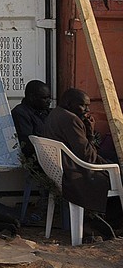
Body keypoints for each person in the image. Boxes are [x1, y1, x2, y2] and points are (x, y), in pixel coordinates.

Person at [38, 87, 115, 216]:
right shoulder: (72, 120)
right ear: (69, 104)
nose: (88, 110)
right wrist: (90, 131)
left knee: (112, 161)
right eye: (83, 105)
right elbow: (88, 157)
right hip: (72, 172)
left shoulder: (56, 113)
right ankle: (106, 220)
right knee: (114, 173)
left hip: (58, 169)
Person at [12, 80, 52, 162]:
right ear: (32, 97)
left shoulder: (46, 111)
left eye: (49, 98)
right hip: (36, 159)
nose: (49, 101)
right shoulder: (20, 113)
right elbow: (27, 143)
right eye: (44, 98)